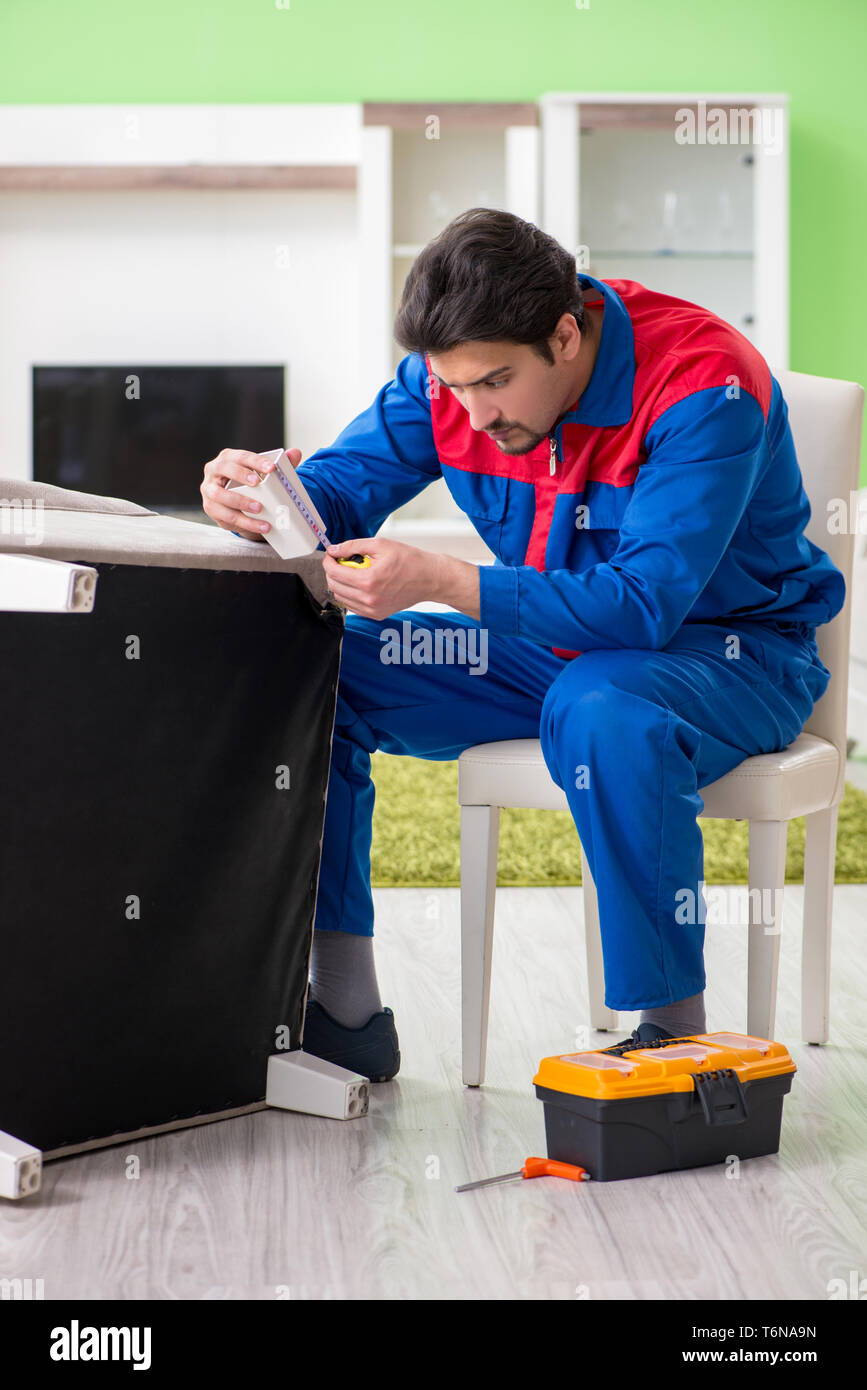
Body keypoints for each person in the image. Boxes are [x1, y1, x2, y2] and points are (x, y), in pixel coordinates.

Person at [200, 207, 845, 1082]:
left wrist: (443, 581)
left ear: (566, 334)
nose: (471, 412)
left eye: (495, 383)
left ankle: (673, 1043)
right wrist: (260, 498)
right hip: (549, 647)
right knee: (319, 662)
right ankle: (342, 1012)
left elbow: (640, 607)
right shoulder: (452, 385)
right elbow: (343, 489)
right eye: (454, 387)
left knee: (603, 704)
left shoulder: (704, 383)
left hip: (731, 660)